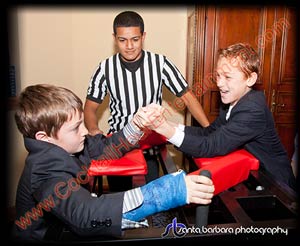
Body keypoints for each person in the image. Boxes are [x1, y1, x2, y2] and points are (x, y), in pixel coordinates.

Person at [12, 84, 214, 242]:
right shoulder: (43, 169)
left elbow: (105, 147)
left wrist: (136, 125)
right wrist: (169, 190)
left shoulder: (62, 148)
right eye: (75, 128)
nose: (84, 131)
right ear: (44, 137)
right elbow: (86, 214)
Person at [138, 42, 296, 192]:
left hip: (276, 184)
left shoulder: (253, 109)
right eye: (218, 76)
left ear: (251, 79)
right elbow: (209, 132)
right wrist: (170, 125)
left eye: (227, 77)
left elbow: (210, 146)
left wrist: (165, 130)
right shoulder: (232, 101)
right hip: (253, 176)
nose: (219, 83)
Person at [84, 10, 210, 190]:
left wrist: (208, 129)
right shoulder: (105, 68)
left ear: (143, 36)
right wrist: (94, 129)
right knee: (119, 200)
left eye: (135, 39)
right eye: (122, 40)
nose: (129, 46)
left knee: (151, 198)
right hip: (119, 144)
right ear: (114, 38)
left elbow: (188, 97)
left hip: (150, 143)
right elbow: (89, 108)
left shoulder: (160, 63)